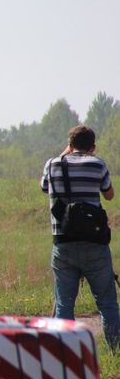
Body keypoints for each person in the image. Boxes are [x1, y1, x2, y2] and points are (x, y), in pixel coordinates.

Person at [41, 125, 117, 347]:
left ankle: (63, 355)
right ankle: (115, 352)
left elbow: (45, 188)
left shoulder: (52, 164)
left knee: (64, 305)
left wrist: (65, 153)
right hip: (94, 243)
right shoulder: (98, 164)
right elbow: (109, 195)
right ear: (93, 147)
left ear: (70, 144)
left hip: (63, 243)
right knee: (107, 303)